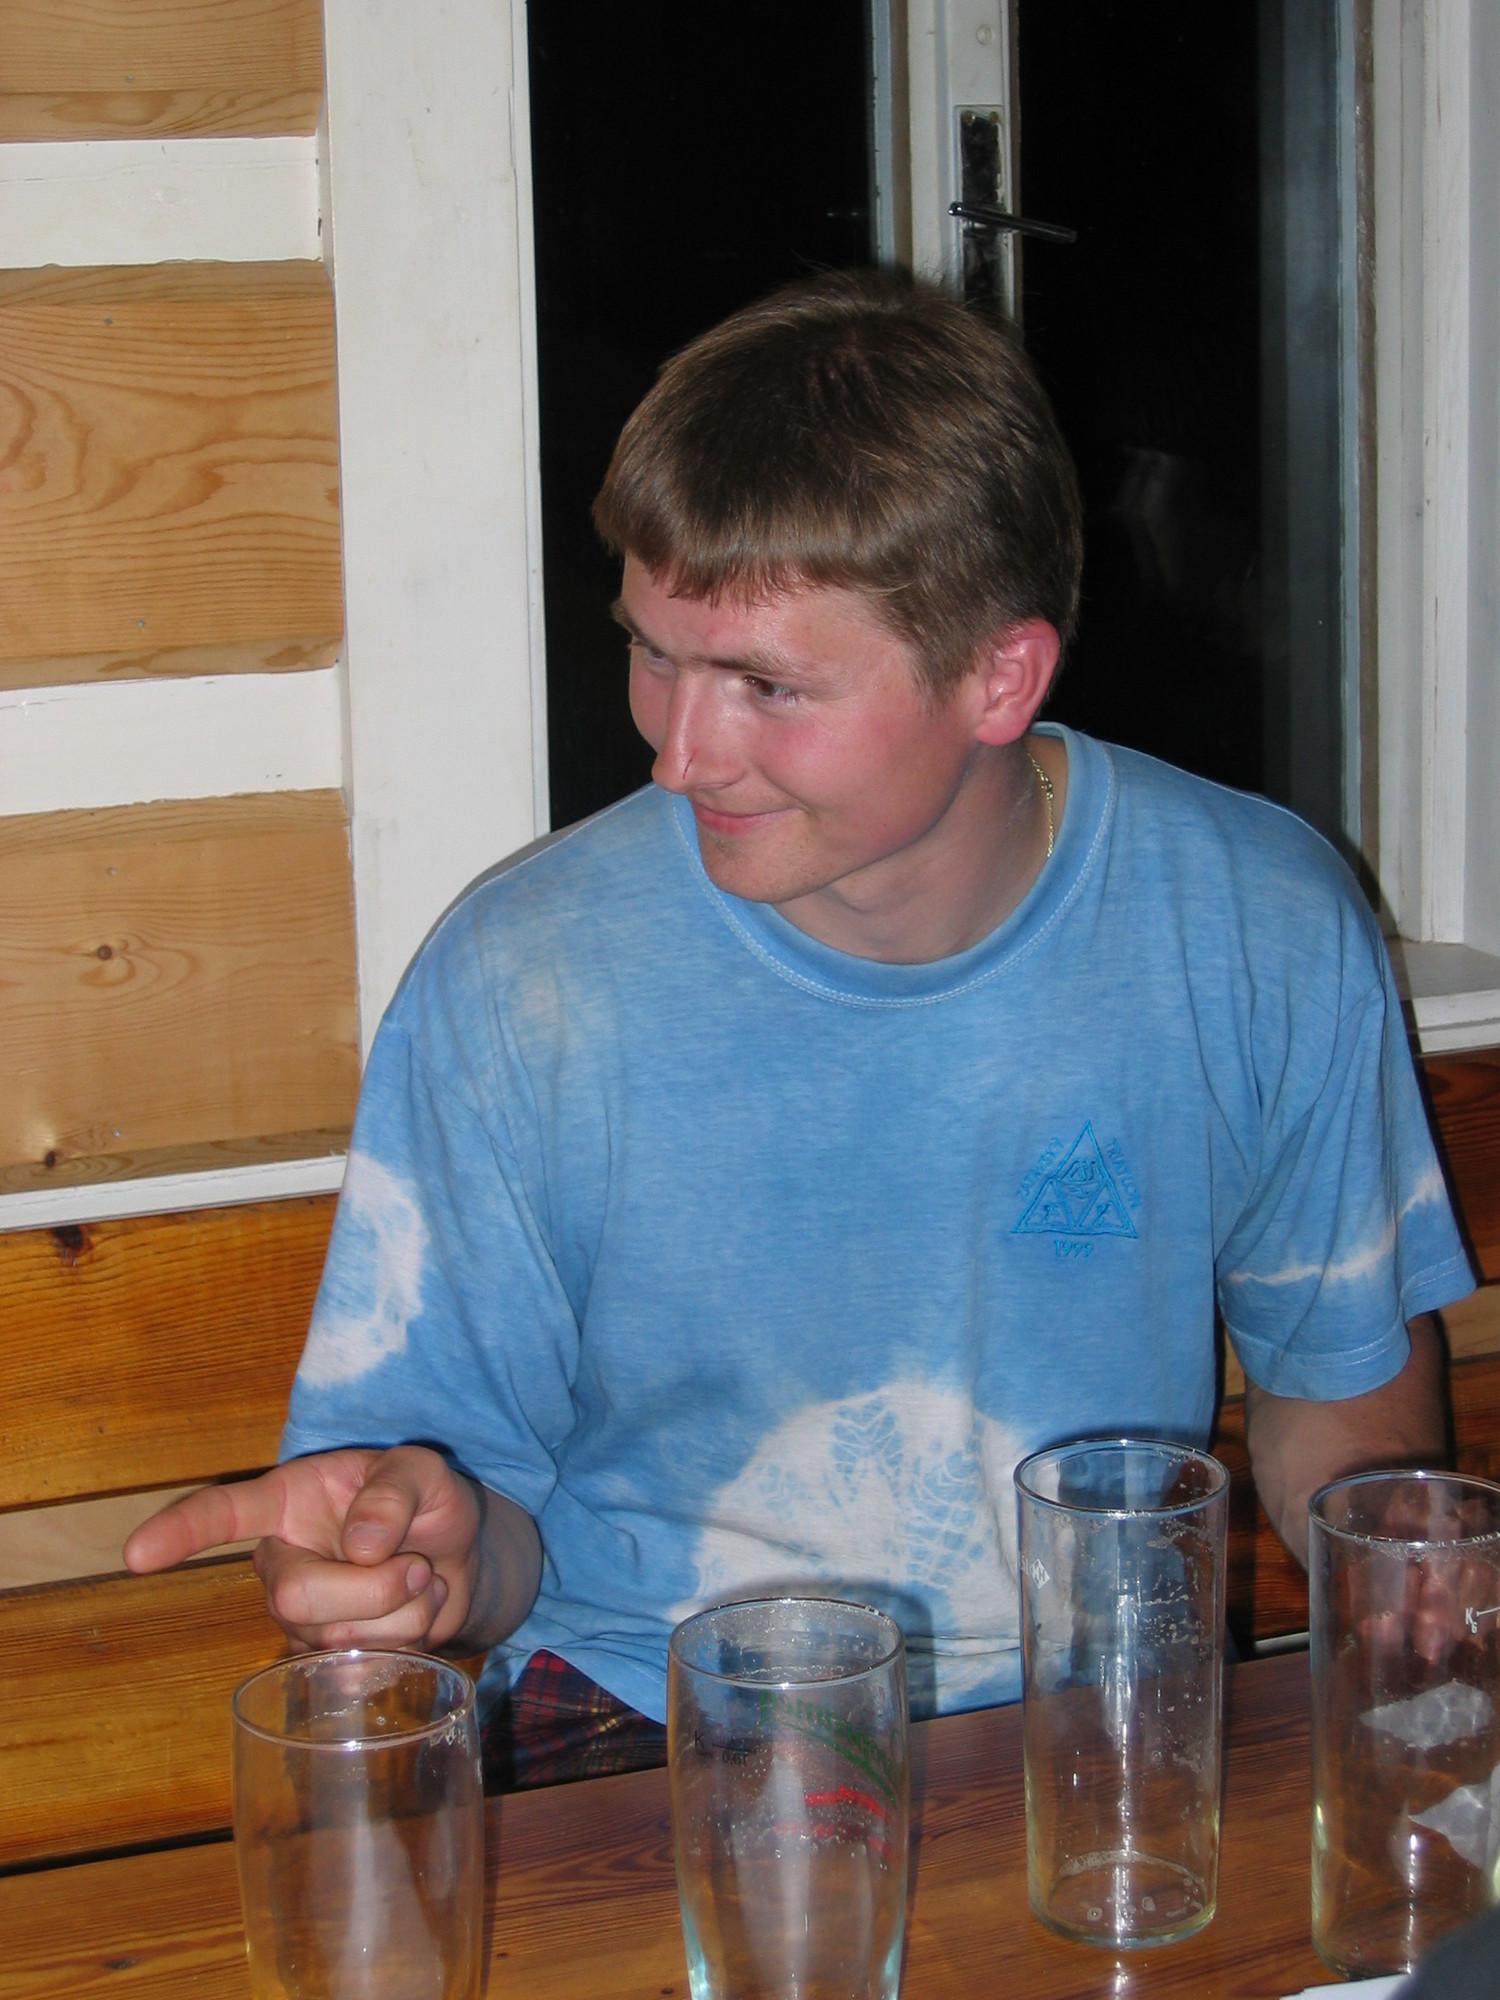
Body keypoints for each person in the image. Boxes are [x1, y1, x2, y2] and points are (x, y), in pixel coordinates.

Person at [126, 270, 1473, 1786]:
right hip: (639, 1716)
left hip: (1101, 1724)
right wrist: (418, 1567)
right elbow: (469, 1526)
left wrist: (1399, 1550)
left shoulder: (1259, 921)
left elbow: (1335, 1389)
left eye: (764, 685)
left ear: (999, 676)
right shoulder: (520, 980)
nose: (678, 753)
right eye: (654, 652)